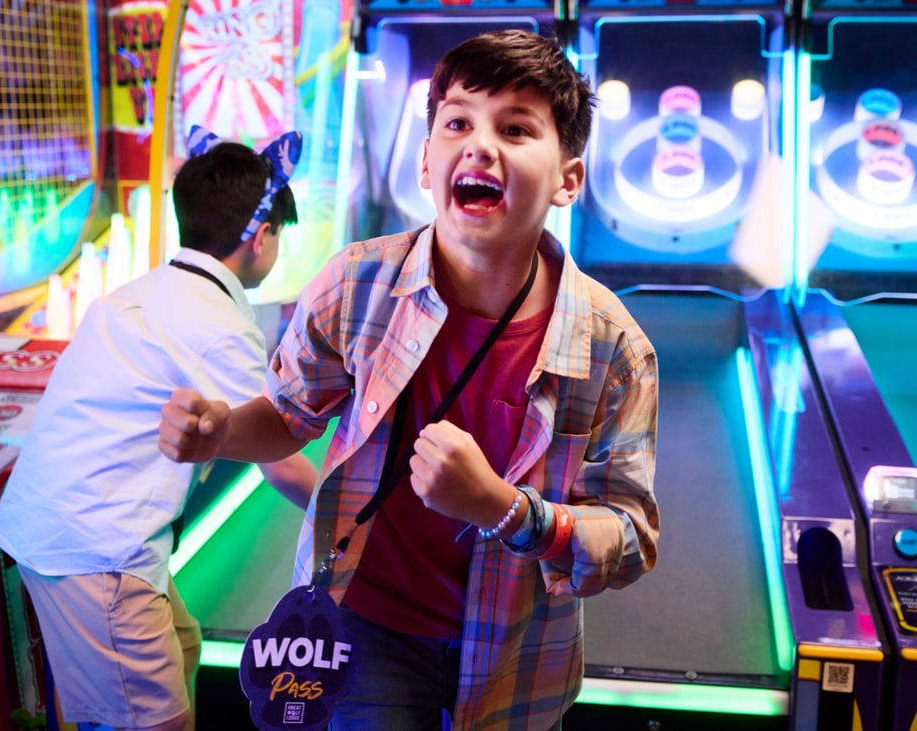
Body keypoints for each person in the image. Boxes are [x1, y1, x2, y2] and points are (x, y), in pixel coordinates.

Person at [158, 29, 660, 730]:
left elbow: (630, 539)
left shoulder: (616, 349)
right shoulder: (353, 283)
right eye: (457, 123)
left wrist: (504, 509)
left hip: (518, 646)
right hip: (367, 625)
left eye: (516, 129)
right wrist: (221, 431)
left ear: (567, 180)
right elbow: (286, 418)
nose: (480, 146)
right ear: (426, 161)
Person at [0, 128, 317, 731]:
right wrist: (350, 511)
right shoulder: (216, 321)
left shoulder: (146, 291)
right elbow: (277, 452)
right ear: (262, 236)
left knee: (183, 644)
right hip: (99, 550)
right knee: (156, 721)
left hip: (56, 529)